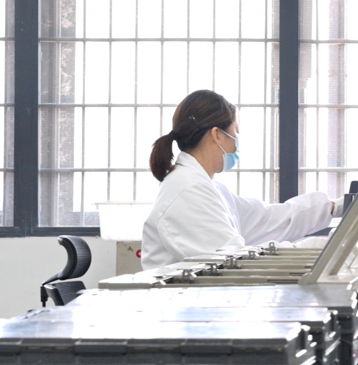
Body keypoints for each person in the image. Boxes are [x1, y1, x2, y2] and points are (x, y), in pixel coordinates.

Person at [141, 90, 336, 268]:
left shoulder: (210, 188)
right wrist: (307, 248)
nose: (236, 142)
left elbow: (270, 220)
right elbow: (230, 261)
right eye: (235, 133)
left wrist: (336, 207)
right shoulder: (188, 190)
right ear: (217, 135)